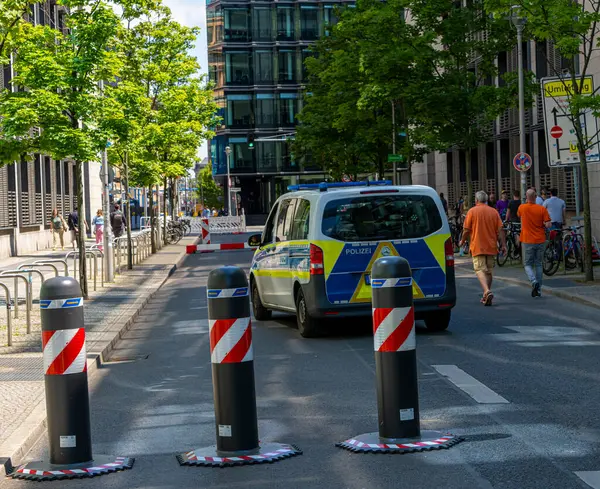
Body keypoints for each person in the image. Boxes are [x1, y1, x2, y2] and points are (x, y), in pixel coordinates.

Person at [459, 190, 507, 306]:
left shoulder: (472, 211)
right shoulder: (494, 212)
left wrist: (462, 241)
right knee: (489, 271)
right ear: (486, 200)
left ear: (476, 200)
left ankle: (486, 291)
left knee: (479, 269)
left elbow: (466, 230)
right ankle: (486, 296)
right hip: (491, 246)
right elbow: (500, 229)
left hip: (477, 245)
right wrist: (503, 245)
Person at [518, 189, 552, 297]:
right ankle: (539, 290)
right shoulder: (542, 209)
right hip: (540, 239)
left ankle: (533, 281)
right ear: (536, 196)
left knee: (527, 264)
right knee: (538, 263)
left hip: (527, 240)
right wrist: (542, 223)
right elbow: (548, 225)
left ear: (526, 197)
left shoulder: (522, 208)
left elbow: (519, 215)